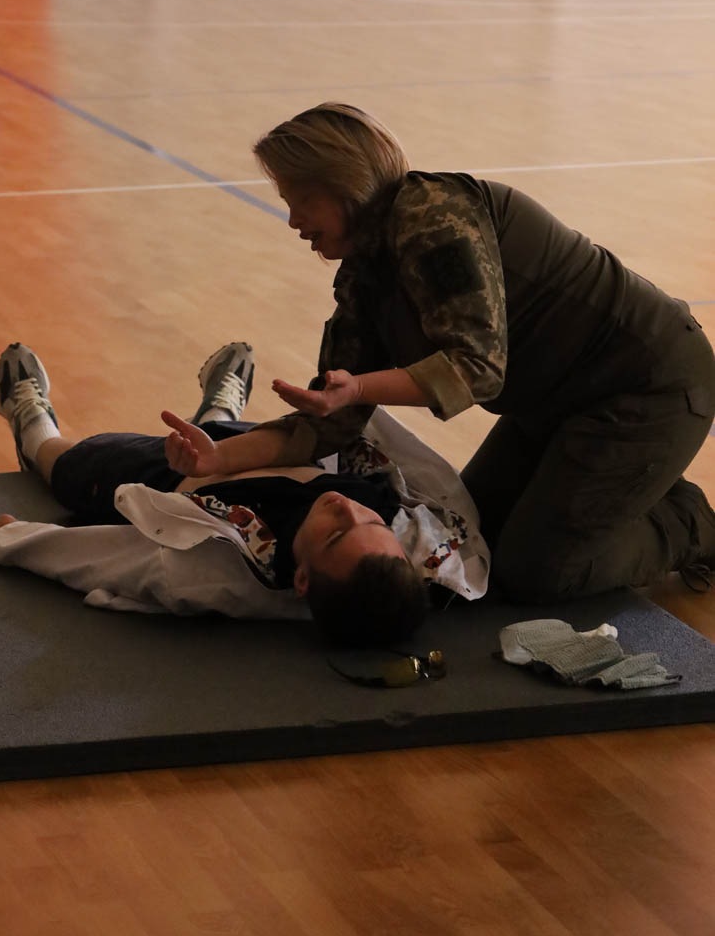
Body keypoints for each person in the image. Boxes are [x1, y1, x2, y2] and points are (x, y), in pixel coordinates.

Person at [177, 101, 714, 605]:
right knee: (474, 533)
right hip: (557, 404)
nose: (293, 221)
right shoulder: (365, 274)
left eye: (300, 200)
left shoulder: (430, 215)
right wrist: (217, 458)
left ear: (344, 184)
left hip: (647, 388)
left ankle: (696, 525)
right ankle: (628, 485)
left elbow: (476, 367)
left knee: (538, 570)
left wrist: (359, 387)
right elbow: (331, 424)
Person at [0, 341, 489, 645]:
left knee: (67, 466)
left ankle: (30, 423)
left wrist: (19, 540)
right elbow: (464, 551)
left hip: (169, 479)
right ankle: (220, 411)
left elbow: (114, 560)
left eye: (336, 535)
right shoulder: (405, 545)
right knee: (217, 439)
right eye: (371, 522)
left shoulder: (221, 575)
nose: (346, 509)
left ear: (303, 579)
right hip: (265, 448)